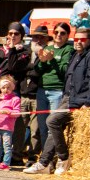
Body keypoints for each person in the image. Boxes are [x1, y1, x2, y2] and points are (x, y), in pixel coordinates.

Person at [24, 26, 90, 175]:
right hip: (68, 96)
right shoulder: (76, 55)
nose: (79, 42)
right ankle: (44, 163)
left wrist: (89, 102)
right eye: (77, 39)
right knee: (52, 125)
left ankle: (63, 157)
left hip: (80, 100)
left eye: (83, 39)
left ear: (89, 40)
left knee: (52, 121)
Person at [0, 23, 31, 165]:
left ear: (21, 36)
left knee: (6, 127)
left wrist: (13, 50)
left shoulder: (24, 51)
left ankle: (5, 157)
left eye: (16, 34)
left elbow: (13, 66)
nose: (13, 36)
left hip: (9, 94)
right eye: (10, 33)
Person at [30, 22, 72, 153]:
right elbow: (37, 70)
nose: (59, 35)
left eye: (62, 33)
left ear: (67, 35)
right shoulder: (47, 48)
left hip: (57, 90)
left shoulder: (68, 50)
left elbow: (65, 70)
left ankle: (52, 157)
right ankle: (44, 156)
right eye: (56, 32)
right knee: (42, 127)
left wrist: (52, 59)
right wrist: (42, 61)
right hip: (42, 90)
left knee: (52, 126)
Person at [0, 75, 21, 170]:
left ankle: (6, 162)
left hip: (7, 127)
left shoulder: (15, 99)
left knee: (7, 145)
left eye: (8, 87)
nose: (6, 90)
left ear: (13, 87)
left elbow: (17, 113)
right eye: (3, 87)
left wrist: (8, 112)